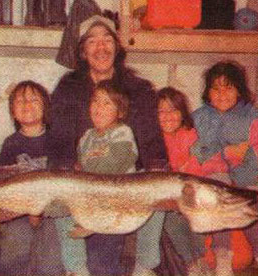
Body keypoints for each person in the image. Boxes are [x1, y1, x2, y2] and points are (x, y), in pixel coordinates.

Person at [48, 14, 168, 275]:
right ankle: (76, 269)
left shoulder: (139, 88)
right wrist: (68, 169)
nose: (101, 48)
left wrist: (156, 173)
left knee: (158, 196)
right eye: (92, 42)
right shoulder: (67, 88)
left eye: (107, 40)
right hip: (82, 183)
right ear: (82, 51)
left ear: (117, 46)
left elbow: (151, 141)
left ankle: (145, 267)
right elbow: (58, 139)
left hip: (123, 185)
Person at [190, 61, 258, 276]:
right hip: (214, 181)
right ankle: (222, 258)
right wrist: (225, 157)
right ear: (207, 92)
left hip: (249, 180)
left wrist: (239, 182)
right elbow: (197, 154)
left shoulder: (254, 118)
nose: (222, 94)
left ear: (239, 90)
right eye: (216, 88)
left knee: (247, 208)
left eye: (228, 87)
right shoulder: (198, 118)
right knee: (219, 195)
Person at [0, 80, 63, 276]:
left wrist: (39, 210)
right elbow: (2, 183)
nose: (27, 104)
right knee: (14, 252)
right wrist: (26, 210)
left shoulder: (57, 140)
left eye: (34, 100)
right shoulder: (10, 143)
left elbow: (61, 182)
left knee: (52, 260)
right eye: (20, 101)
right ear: (13, 112)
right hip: (18, 211)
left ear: (45, 108)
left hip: (51, 210)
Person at [157, 87, 212, 276]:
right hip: (169, 197)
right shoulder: (154, 140)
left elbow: (197, 170)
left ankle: (201, 260)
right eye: (161, 111)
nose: (167, 116)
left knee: (195, 214)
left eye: (173, 110)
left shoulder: (191, 135)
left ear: (182, 113)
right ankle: (191, 263)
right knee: (169, 218)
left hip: (191, 192)